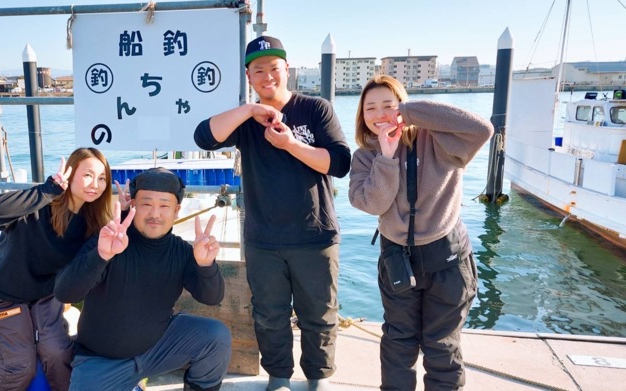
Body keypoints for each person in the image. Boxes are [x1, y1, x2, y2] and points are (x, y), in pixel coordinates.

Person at [194, 35, 351, 391]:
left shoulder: (315, 109)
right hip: (263, 239)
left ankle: (318, 378)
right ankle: (278, 377)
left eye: (274, 69)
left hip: (316, 236)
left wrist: (291, 144)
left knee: (320, 316)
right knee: (268, 315)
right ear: (249, 77)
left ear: (287, 70)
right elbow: (204, 137)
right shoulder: (246, 121)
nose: (268, 77)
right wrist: (250, 111)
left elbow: (340, 163)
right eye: (258, 70)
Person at [347, 75, 493, 390]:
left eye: (389, 105)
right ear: (362, 116)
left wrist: (411, 114)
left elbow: (482, 130)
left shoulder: (439, 141)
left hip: (448, 258)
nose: (379, 114)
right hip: (397, 258)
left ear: (404, 106)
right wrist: (386, 157)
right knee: (398, 343)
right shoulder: (364, 156)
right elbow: (372, 203)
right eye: (370, 108)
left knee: (442, 346)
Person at [54, 167, 232, 391]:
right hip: (101, 359)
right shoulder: (109, 241)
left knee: (216, 336)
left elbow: (212, 297)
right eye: (146, 204)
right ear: (134, 205)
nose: (155, 214)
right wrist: (101, 256)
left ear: (177, 210)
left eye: (164, 206)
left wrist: (205, 265)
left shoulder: (182, 251)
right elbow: (65, 292)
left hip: (157, 347)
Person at [0, 147, 114, 391]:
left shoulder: (91, 221)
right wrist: (48, 190)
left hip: (45, 296)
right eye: (88, 175)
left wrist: (116, 218)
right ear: (70, 174)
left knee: (58, 354)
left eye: (102, 178)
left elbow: (83, 270)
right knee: (18, 368)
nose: (95, 184)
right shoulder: (39, 203)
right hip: (3, 296)